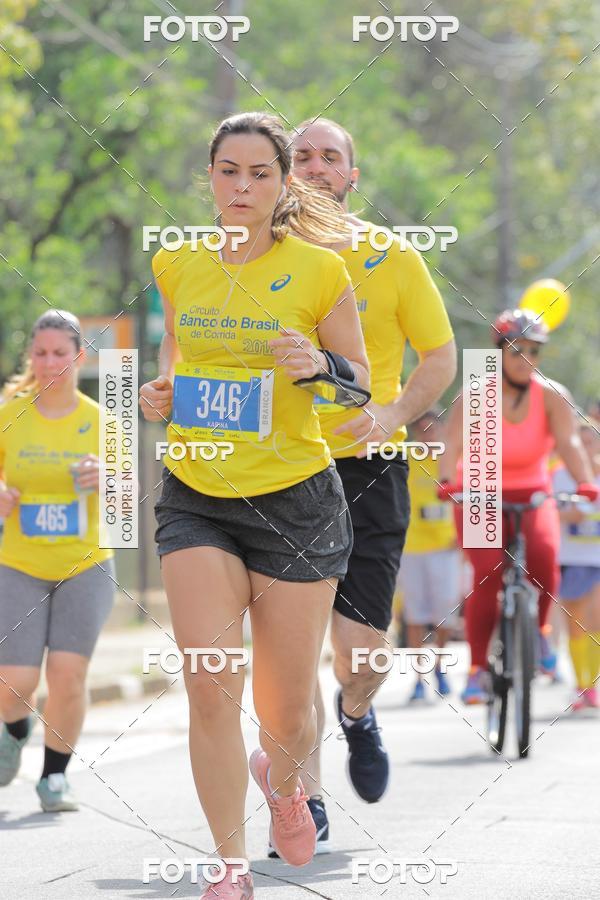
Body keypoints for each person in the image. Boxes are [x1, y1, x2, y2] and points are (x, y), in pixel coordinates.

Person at [139, 112, 369, 899]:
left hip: (296, 503)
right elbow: (179, 356)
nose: (242, 187)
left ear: (282, 183)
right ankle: (229, 866)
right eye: (228, 171)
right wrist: (161, 392)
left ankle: (285, 782)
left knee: (286, 709)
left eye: (260, 174)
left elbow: (359, 382)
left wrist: (319, 365)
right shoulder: (176, 263)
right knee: (210, 685)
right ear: (210, 177)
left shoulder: (319, 271)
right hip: (197, 495)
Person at [287, 118, 455, 849]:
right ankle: (303, 800)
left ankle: (356, 712)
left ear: (352, 176)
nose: (315, 166)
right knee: (289, 653)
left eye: (331, 157)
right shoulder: (255, 254)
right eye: (301, 155)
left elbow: (440, 356)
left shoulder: (391, 254)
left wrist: (390, 415)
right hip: (281, 469)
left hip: (368, 467)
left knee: (360, 657)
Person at [438, 309, 599, 703]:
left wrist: (585, 482)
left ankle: (540, 633)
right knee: (487, 574)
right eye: (517, 350)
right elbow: (452, 444)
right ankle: (477, 670)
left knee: (544, 559)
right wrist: (447, 481)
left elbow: (569, 442)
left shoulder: (553, 395)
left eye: (534, 351)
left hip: (532, 492)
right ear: (499, 352)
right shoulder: (476, 393)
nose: (526, 358)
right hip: (479, 491)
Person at [0, 309, 115, 811]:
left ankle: (54, 778)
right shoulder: (9, 415)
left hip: (84, 566)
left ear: (79, 357)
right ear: (32, 357)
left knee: (67, 675)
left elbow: (129, 502)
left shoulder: (103, 421)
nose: (50, 363)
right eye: (41, 353)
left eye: (60, 354)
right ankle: (14, 730)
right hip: (19, 563)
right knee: (14, 684)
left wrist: (107, 478)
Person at [396, 410, 460, 702]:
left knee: (445, 611)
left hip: (445, 547)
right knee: (415, 615)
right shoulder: (407, 459)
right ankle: (418, 678)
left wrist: (463, 535)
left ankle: (440, 666)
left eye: (432, 429)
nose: (428, 435)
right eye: (422, 430)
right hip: (413, 547)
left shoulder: (452, 460)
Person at [553, 421, 600, 709]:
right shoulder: (559, 477)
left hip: (597, 560)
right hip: (569, 559)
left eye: (590, 442)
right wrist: (567, 515)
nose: (585, 449)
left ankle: (592, 686)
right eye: (579, 443)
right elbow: (547, 510)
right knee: (575, 626)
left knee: (596, 620)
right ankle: (580, 684)